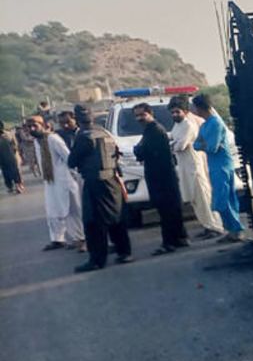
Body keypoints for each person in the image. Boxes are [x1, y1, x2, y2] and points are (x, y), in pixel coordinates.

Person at [68, 104, 132, 271]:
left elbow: (72, 161)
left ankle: (96, 260)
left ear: (76, 119)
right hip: (112, 180)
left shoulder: (83, 136)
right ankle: (124, 251)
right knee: (115, 217)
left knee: (93, 222)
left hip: (95, 182)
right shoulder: (104, 132)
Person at [131, 102, 189, 254]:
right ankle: (179, 238)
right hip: (162, 175)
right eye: (136, 116)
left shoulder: (154, 130)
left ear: (150, 114)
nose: (139, 118)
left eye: (142, 115)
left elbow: (141, 151)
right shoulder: (150, 130)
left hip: (161, 177)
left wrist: (138, 150)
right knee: (172, 208)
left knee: (166, 210)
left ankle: (169, 242)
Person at [167, 96, 223, 239]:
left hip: (194, 165)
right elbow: (174, 142)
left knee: (203, 196)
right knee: (193, 198)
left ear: (185, 111)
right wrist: (174, 144)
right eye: (172, 112)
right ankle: (206, 225)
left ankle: (215, 226)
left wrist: (173, 145)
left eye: (177, 112)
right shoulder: (177, 126)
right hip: (184, 165)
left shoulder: (189, 125)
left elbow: (180, 145)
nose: (175, 115)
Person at [192, 94, 244, 242]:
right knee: (221, 198)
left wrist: (204, 145)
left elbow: (211, 147)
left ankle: (236, 229)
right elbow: (197, 145)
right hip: (214, 165)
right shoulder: (205, 125)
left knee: (225, 198)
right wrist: (204, 145)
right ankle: (231, 229)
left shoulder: (216, 124)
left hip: (222, 165)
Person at [29, 115, 85, 251]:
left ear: (44, 125)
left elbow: (68, 158)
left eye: (35, 125)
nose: (32, 129)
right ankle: (57, 239)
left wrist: (75, 177)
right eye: (29, 126)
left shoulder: (53, 139)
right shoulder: (37, 141)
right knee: (53, 210)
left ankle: (80, 238)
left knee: (71, 210)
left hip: (64, 180)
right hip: (49, 181)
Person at [0, 120, 24, 194]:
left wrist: (16, 152)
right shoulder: (8, 134)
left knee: (13, 171)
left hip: (11, 155)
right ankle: (11, 186)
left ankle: (17, 185)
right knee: (8, 172)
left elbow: (15, 145)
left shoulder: (8, 134)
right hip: (6, 156)